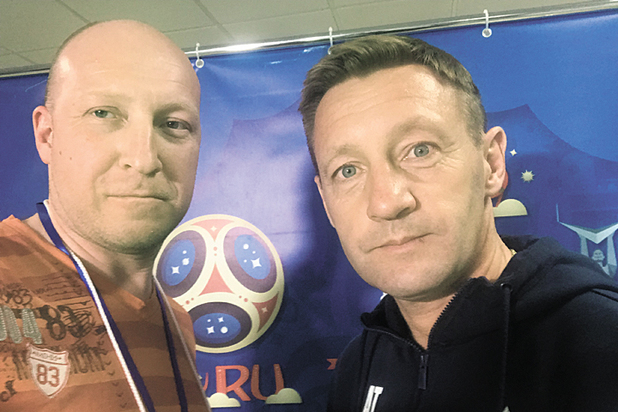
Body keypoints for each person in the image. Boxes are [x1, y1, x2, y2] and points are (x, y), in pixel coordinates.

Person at [299, 34, 618, 412]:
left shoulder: (601, 346)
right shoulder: (358, 366)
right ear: (327, 204)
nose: (386, 203)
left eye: (419, 150)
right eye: (348, 170)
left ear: (491, 165)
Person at [0, 20, 210, 411]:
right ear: (47, 135)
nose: (144, 159)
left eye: (173, 124)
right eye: (103, 113)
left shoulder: (176, 322)